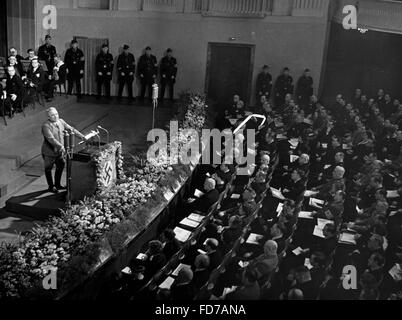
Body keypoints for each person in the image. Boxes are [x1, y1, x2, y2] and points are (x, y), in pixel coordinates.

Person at [41, 107, 86, 193]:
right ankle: (51, 186)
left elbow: (71, 129)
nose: (55, 116)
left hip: (60, 152)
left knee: (60, 166)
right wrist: (61, 146)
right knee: (48, 169)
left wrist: (82, 137)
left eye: (56, 114)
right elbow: (51, 139)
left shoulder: (61, 121)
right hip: (49, 152)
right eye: (52, 115)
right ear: (48, 116)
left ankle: (57, 184)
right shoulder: (46, 126)